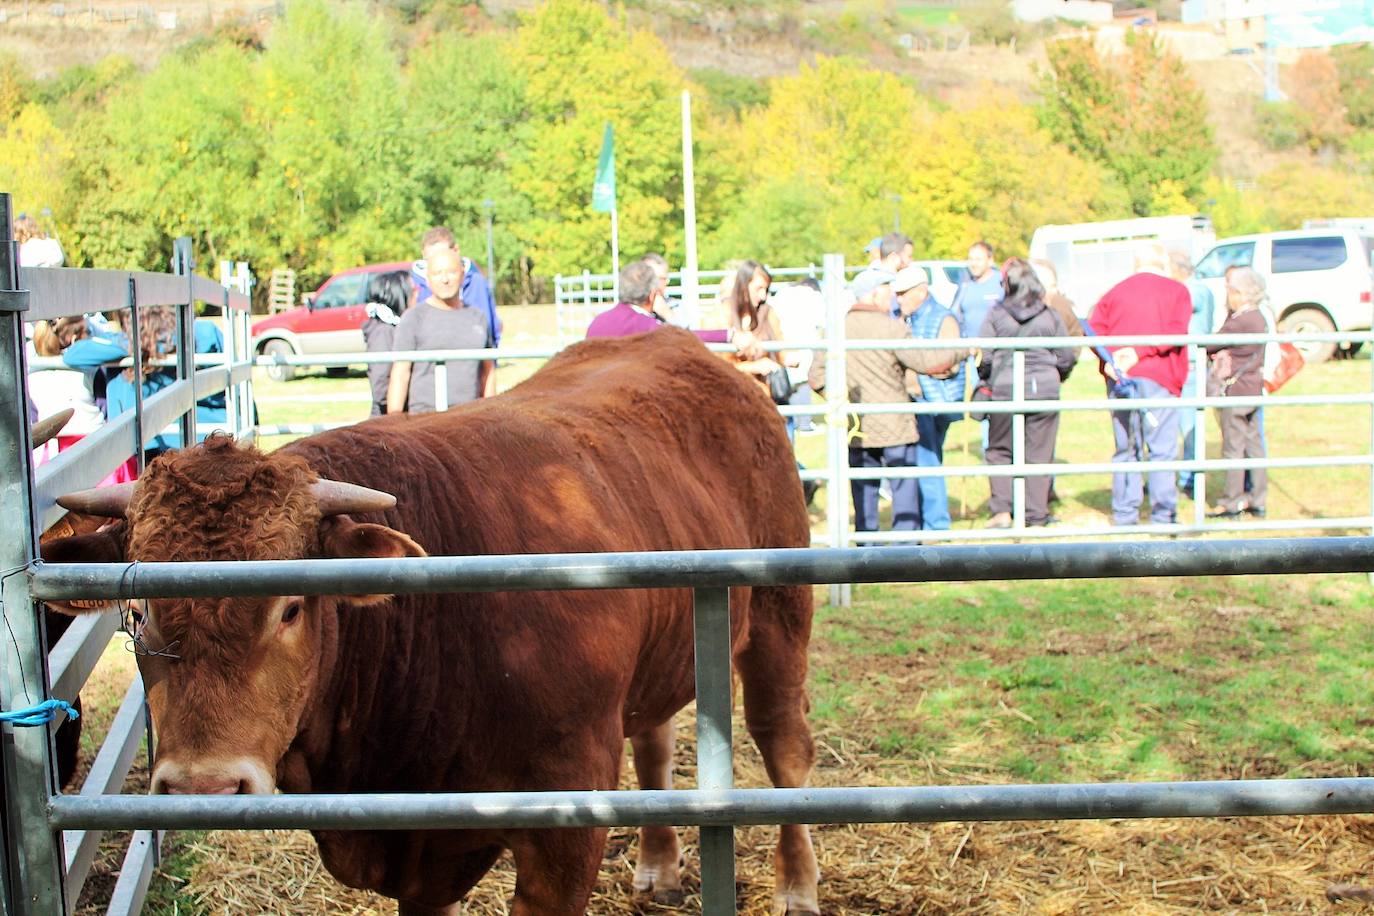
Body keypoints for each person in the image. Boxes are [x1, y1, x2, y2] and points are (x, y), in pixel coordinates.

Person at [808, 268, 969, 542]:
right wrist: (964, 349)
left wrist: (841, 398)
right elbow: (926, 361)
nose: (892, 297)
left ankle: (867, 544)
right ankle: (904, 548)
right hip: (896, 423)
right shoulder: (891, 327)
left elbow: (816, 377)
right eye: (886, 290)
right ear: (873, 294)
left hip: (856, 423)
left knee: (864, 488)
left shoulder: (836, 330)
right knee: (903, 486)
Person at [1088, 242, 1192, 526]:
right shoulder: (1177, 291)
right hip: (1159, 376)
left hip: (1121, 377)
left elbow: (1094, 329)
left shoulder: (1114, 292)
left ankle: (1125, 514)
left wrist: (1108, 358)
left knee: (1126, 447)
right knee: (1161, 449)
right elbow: (1176, 332)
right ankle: (1163, 516)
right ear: (1164, 263)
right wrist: (1140, 351)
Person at [977, 259, 1077, 529]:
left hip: (1005, 389)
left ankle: (1002, 511)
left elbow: (984, 355)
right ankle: (1035, 514)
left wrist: (988, 378)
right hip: (1042, 390)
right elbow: (1066, 355)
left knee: (999, 451)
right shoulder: (1049, 314)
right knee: (1039, 454)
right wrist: (1055, 376)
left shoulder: (996, 314)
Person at [894, 265, 963, 531]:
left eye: (903, 294)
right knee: (924, 459)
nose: (898, 299)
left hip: (931, 400)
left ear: (921, 292)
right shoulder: (904, 320)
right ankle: (929, 521)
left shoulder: (942, 319)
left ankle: (935, 524)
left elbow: (949, 362)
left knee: (927, 459)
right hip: (913, 399)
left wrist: (918, 367)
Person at [388, 248, 494, 414]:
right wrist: (393, 420)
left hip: (470, 419)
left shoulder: (478, 318)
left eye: (451, 272)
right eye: (437, 273)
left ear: (463, 274)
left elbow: (488, 371)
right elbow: (400, 373)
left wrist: (490, 414)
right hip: (426, 420)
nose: (445, 279)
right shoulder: (413, 318)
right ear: (428, 278)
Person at [585, 260, 759, 359]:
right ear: (653, 295)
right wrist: (730, 335)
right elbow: (684, 336)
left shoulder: (597, 323)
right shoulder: (645, 326)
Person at [1206, 266, 1268, 519]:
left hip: (1236, 390)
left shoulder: (1240, 321)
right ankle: (1258, 499)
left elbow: (1211, 343)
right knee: (1254, 445)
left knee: (1234, 446)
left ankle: (1231, 502)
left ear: (1240, 293)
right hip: (1254, 387)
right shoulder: (1259, 318)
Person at [28, 317, 107, 465]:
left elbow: (33, 419)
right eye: (87, 331)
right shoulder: (90, 371)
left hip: (52, 454)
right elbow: (105, 408)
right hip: (93, 450)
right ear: (74, 338)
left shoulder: (31, 377)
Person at [1169, 249, 1215, 498]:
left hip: (1190, 364)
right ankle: (1189, 476)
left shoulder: (1190, 291)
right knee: (1189, 422)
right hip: (1195, 362)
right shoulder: (1203, 289)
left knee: (1188, 424)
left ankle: (1190, 479)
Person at [410, 226, 501, 346]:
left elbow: (490, 329)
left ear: (456, 250)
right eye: (430, 259)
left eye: (443, 256)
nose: (438, 263)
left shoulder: (476, 282)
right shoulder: (414, 286)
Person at [722, 260, 788, 385]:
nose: (763, 296)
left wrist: (789, 358)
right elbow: (718, 366)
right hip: (730, 391)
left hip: (762, 393)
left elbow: (781, 351)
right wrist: (753, 366)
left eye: (766, 289)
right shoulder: (721, 316)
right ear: (744, 286)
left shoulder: (768, 313)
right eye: (758, 288)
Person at [360, 270, 412, 416]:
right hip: (387, 415)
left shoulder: (392, 327)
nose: (416, 296)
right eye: (412, 291)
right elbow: (380, 382)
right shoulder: (384, 331)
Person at [951, 241, 1003, 341]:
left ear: (990, 260)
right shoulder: (965, 284)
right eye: (971, 259)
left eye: (978, 259)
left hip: (995, 349)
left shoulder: (1001, 283)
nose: (974, 263)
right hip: (969, 350)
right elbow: (955, 315)